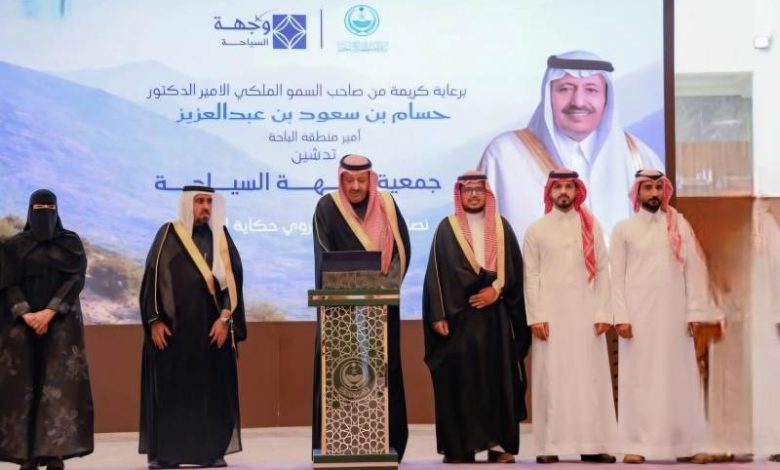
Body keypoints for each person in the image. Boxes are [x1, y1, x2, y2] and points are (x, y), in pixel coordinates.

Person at [479, 50, 663, 243]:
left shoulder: (640, 159)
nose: (578, 102)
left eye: (591, 90)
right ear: (548, 95)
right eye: (566, 89)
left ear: (606, 99)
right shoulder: (504, 156)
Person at [422, 171, 530, 464]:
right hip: (458, 322)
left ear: (487, 193)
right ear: (460, 193)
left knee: (499, 381)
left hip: (495, 320)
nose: (473, 195)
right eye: (467, 190)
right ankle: (461, 446)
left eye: (478, 190)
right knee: (461, 383)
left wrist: (497, 290)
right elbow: (436, 274)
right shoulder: (447, 228)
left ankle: (499, 445)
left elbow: (515, 270)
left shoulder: (501, 227)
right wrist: (438, 314)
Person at [611, 169, 715, 464]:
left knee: (680, 379)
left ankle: (687, 445)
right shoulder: (624, 229)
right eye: (648, 188)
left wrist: (695, 311)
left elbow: (694, 270)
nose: (654, 193)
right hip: (638, 319)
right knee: (639, 380)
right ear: (637, 192)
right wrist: (621, 316)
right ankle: (636, 445)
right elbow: (616, 278)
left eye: (658, 187)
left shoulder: (679, 225)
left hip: (675, 317)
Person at [138, 185, 246, 469]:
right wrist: (154, 320)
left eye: (209, 201)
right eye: (199, 201)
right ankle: (167, 455)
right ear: (188, 204)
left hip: (211, 333)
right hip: (173, 334)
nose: (205, 207)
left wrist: (225, 320)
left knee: (211, 393)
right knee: (172, 393)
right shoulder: (167, 234)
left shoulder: (221, 237)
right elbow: (152, 278)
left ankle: (211, 453)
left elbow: (233, 283)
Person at [311, 154, 410, 460]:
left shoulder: (387, 205)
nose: (355, 186)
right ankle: (339, 441)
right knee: (342, 376)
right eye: (349, 180)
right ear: (341, 180)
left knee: (383, 373)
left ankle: (385, 441)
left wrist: (380, 289)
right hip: (340, 314)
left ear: (370, 180)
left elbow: (401, 252)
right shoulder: (327, 207)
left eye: (361, 180)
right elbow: (323, 256)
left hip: (381, 311)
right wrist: (354, 288)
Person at [523, 169, 617, 463]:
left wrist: (604, 311)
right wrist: (536, 315)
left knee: (589, 380)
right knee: (552, 379)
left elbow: (602, 270)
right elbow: (531, 275)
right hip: (550, 317)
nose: (563, 192)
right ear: (549, 192)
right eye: (558, 187)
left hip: (587, 316)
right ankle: (549, 446)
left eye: (569, 186)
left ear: (577, 191)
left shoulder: (591, 226)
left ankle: (592, 444)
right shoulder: (537, 230)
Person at [0, 189, 94, 470]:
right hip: (22, 327)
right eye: (38, 208)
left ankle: (54, 452)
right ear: (30, 211)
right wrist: (27, 314)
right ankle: (27, 454)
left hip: (61, 326)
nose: (44, 214)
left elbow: (75, 279)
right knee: (23, 388)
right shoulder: (13, 246)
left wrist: (49, 312)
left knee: (58, 389)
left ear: (57, 210)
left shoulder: (70, 244)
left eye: (49, 208)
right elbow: (7, 282)